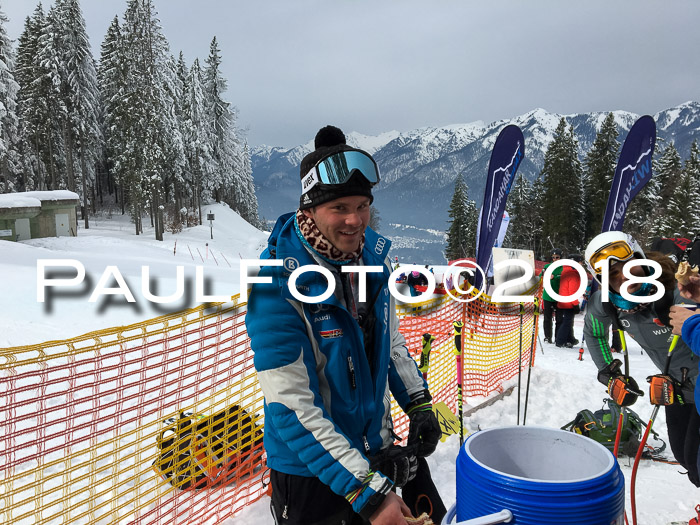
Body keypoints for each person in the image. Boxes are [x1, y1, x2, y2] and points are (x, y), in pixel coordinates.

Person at [245, 125, 444, 525]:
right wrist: (366, 493)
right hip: (312, 471)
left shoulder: (374, 259)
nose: (355, 220)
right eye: (339, 208)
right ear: (310, 210)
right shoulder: (275, 287)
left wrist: (418, 402)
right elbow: (291, 407)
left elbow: (391, 343)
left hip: (375, 453)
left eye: (362, 205)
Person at [583, 231, 700, 487]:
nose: (623, 277)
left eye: (628, 267)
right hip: (676, 392)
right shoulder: (606, 305)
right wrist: (609, 372)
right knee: (684, 457)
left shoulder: (677, 290)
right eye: (613, 275)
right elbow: (594, 333)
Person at [554, 254, 582, 348]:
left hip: (563, 300)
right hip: (568, 302)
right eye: (580, 262)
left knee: (568, 321)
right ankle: (560, 340)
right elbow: (572, 291)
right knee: (567, 322)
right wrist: (575, 304)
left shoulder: (565, 271)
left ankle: (570, 339)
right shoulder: (573, 274)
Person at [540, 248, 563, 344]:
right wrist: (543, 273)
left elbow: (564, 277)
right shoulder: (547, 266)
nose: (555, 259)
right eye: (553, 257)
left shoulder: (563, 268)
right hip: (547, 295)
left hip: (558, 295)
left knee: (559, 318)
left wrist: (556, 277)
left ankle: (558, 336)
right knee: (547, 317)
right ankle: (547, 336)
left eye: (557, 257)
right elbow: (540, 276)